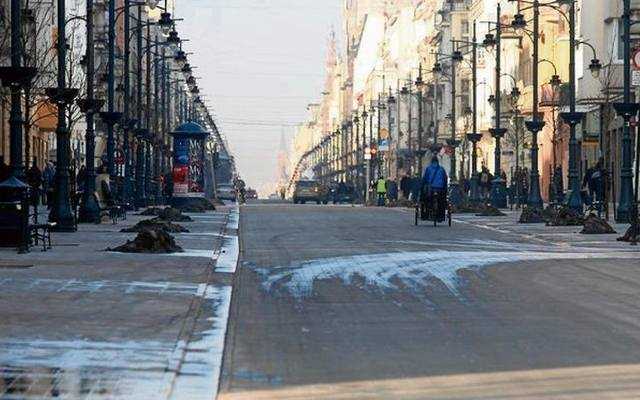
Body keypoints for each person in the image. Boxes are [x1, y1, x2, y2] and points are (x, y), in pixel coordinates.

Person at [422, 156, 448, 221]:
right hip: (440, 188)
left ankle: (427, 213)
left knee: (427, 200)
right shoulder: (442, 169)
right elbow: (445, 179)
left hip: (431, 188)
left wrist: (423, 185)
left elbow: (425, 178)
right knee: (441, 201)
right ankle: (441, 216)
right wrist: (444, 187)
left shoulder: (428, 168)